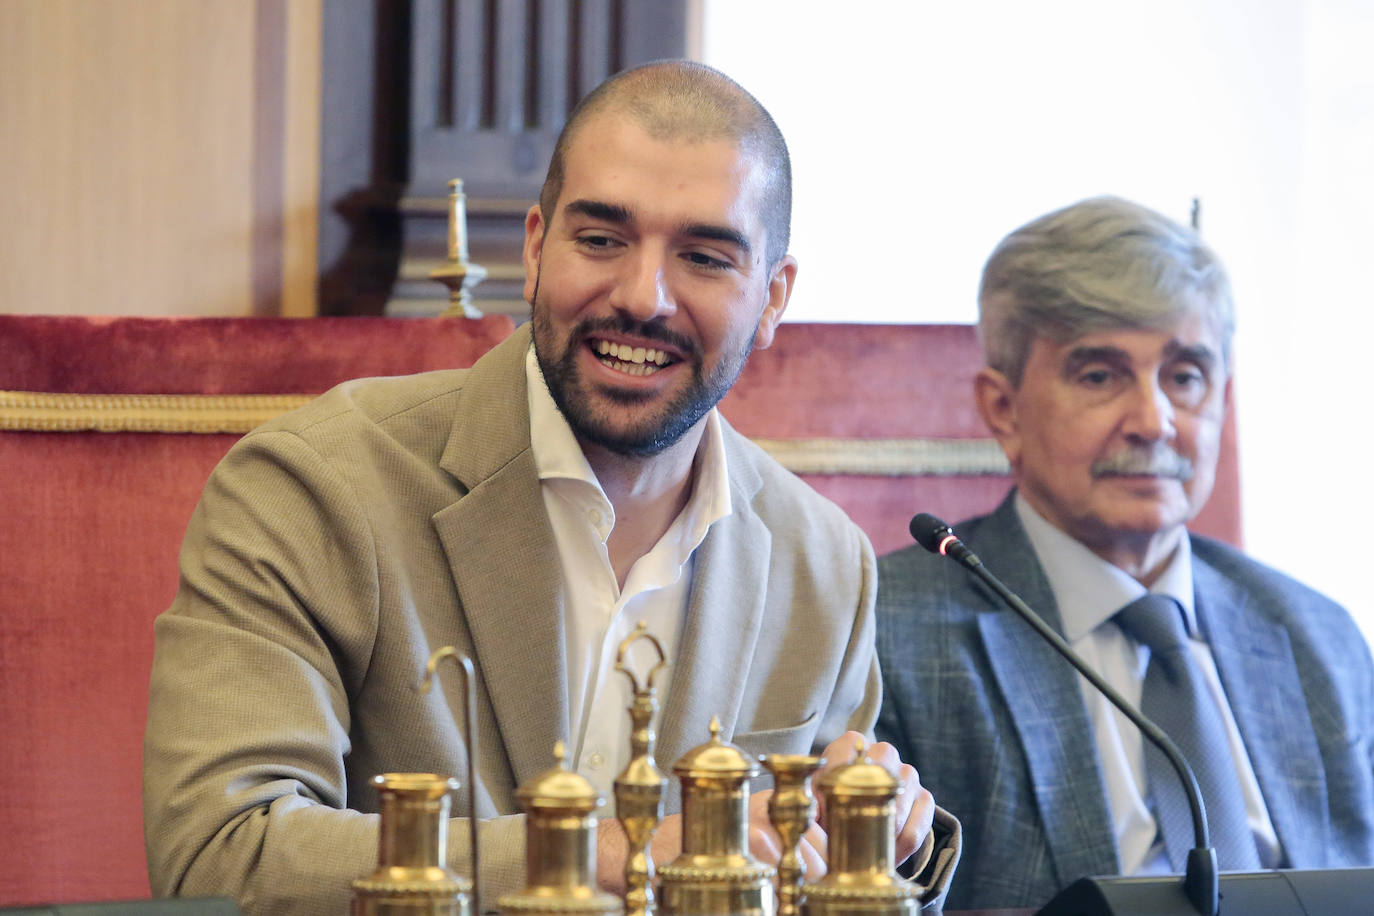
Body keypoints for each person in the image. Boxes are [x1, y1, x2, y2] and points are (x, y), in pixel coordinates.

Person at [144, 61, 956, 916]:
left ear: (772, 299)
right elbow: (220, 854)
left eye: (706, 257)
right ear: (535, 249)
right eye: (602, 240)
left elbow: (828, 888)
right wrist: (614, 853)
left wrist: (883, 839)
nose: (643, 298)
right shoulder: (315, 486)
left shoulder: (824, 562)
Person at [875, 195, 1374, 910]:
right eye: (1100, 376)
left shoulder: (1317, 636)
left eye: (1185, 377)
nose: (1154, 422)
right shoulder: (888, 634)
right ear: (1003, 409)